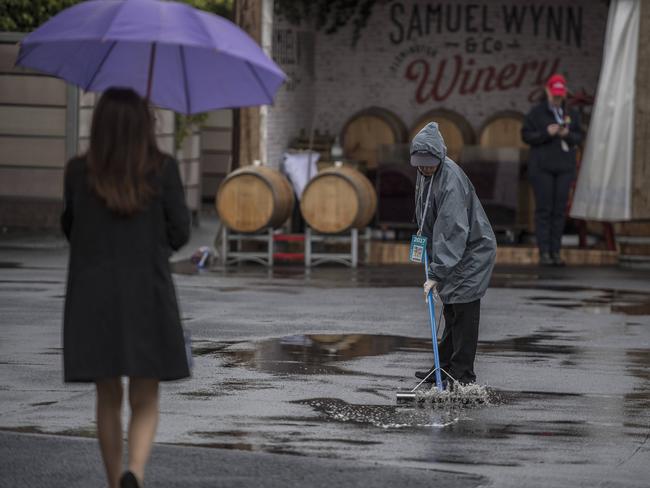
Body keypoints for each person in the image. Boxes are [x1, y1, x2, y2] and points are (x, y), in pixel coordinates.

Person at [61, 88, 191, 488]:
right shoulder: (163, 168)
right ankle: (135, 468)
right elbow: (180, 232)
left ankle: (114, 482)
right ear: (144, 125)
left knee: (107, 396)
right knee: (145, 395)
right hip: (147, 293)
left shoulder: (79, 172)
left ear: (98, 125)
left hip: (92, 296)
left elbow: (71, 228)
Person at [411, 122, 497, 387]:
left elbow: (452, 230)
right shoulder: (426, 175)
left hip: (471, 251)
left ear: (439, 156)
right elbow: (425, 214)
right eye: (420, 163)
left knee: (464, 312)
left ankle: (463, 374)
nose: (424, 167)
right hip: (451, 252)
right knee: (451, 311)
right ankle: (444, 366)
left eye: (428, 162)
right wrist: (422, 246)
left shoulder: (451, 180)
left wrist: (436, 272)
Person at [522, 73, 583, 266]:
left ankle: (556, 252)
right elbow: (526, 136)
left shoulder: (571, 114)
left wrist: (566, 134)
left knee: (559, 211)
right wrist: (545, 133)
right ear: (548, 90)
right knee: (544, 210)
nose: (557, 97)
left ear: (564, 93)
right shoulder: (536, 112)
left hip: (564, 167)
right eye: (554, 93)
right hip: (542, 168)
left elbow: (579, 137)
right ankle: (544, 253)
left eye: (560, 94)